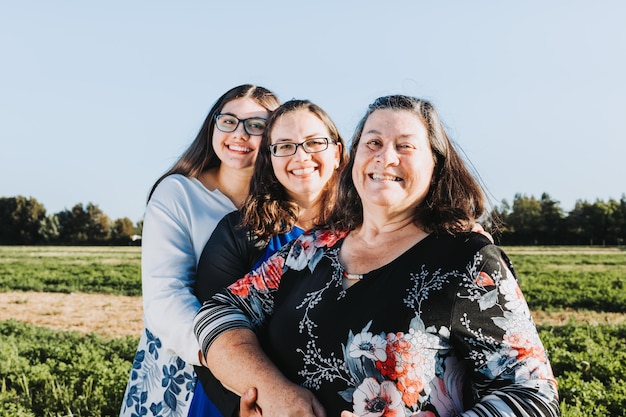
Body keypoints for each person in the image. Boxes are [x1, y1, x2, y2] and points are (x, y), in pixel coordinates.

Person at [193, 95, 560, 417]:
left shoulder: (468, 259)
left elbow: (531, 395)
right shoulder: (311, 249)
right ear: (354, 160)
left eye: (405, 146)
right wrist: (273, 392)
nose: (386, 157)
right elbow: (218, 314)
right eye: (373, 143)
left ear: (435, 164)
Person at [119, 84, 280, 417]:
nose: (239, 133)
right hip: (187, 359)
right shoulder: (178, 193)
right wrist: (226, 358)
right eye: (229, 121)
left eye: (256, 125)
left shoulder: (283, 203)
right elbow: (166, 295)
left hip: (261, 360)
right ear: (213, 126)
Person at [192, 99, 348, 417]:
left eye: (314, 142)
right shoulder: (239, 233)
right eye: (285, 146)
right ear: (271, 159)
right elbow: (211, 336)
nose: (300, 156)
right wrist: (243, 407)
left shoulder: (370, 230)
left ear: (337, 152)